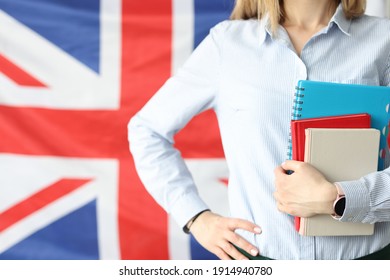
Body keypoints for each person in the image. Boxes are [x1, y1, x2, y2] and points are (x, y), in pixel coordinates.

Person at [128, 0, 390, 260]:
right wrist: (195, 217)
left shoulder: (383, 40)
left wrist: (339, 198)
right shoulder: (227, 44)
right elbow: (147, 130)